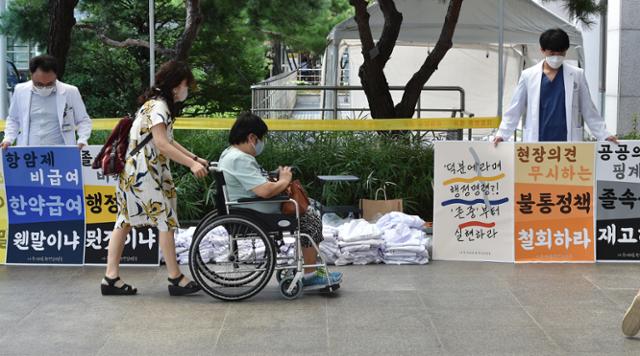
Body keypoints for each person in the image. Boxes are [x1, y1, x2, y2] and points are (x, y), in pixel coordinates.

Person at [101, 61, 208, 296]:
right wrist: (191, 164)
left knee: (125, 220)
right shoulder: (159, 107)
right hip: (143, 172)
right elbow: (161, 143)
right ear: (176, 85)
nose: (186, 90)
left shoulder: (155, 105)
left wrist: (195, 157)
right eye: (185, 85)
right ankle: (175, 277)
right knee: (165, 219)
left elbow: (166, 140)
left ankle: (110, 278)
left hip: (139, 170)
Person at [218, 112, 342, 288]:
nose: (262, 143)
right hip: (257, 211)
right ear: (252, 137)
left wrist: (274, 175)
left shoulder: (229, 154)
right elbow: (264, 191)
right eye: (261, 139)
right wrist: (284, 180)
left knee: (309, 207)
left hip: (249, 208)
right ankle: (310, 274)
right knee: (311, 217)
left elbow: (254, 182)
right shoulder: (239, 159)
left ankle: (309, 268)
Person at [493, 28, 617, 145]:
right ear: (542, 50)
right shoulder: (528, 75)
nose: (557, 57)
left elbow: (588, 108)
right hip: (538, 140)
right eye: (552, 53)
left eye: (561, 53)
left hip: (567, 140)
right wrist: (502, 134)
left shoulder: (577, 74)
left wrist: (604, 134)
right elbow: (516, 108)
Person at [2, 55, 92, 149]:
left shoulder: (70, 92)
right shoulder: (20, 90)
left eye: (49, 84)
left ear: (56, 75)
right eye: (39, 84)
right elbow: (13, 119)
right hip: (29, 151)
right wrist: (8, 139)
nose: (44, 87)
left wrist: (82, 139)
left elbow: (83, 120)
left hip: (62, 150)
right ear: (31, 75)